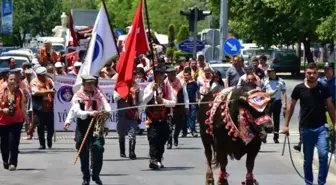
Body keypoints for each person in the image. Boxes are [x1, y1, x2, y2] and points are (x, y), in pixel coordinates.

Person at [282, 63, 336, 185]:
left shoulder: (323, 87)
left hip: (321, 127)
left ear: (318, 73)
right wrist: (286, 125)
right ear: (305, 73)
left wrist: (335, 123)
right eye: (309, 73)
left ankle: (321, 182)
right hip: (306, 129)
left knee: (323, 156)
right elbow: (291, 106)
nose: (311, 75)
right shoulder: (299, 88)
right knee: (307, 160)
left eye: (314, 73)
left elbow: (330, 106)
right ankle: (309, 183)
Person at [65, 75, 110, 185]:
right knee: (83, 151)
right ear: (83, 84)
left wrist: (106, 116)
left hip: (97, 124)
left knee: (99, 148)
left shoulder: (99, 94)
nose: (91, 86)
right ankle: (86, 176)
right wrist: (69, 121)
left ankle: (96, 174)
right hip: (83, 125)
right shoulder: (77, 96)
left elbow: (106, 106)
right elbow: (77, 112)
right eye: (89, 83)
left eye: (93, 83)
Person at [142, 67, 176, 169]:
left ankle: (159, 158)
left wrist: (163, 101)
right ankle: (153, 159)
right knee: (153, 138)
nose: (160, 77)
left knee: (163, 138)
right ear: (155, 76)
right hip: (152, 118)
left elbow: (174, 103)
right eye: (158, 75)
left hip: (164, 118)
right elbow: (144, 101)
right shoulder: (149, 87)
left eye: (162, 75)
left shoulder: (168, 87)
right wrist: (152, 92)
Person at [0, 72, 30, 171]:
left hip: (17, 121)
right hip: (3, 121)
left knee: (14, 142)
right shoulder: (1, 91)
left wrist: (27, 122)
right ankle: (5, 160)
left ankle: (13, 163)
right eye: (11, 79)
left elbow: (23, 108)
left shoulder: (19, 92)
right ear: (7, 80)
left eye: (14, 80)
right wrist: (2, 110)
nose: (13, 81)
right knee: (4, 143)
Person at [115, 72, 143, 159]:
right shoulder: (120, 87)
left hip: (132, 114)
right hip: (122, 115)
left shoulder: (138, 88)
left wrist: (139, 111)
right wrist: (124, 92)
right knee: (121, 134)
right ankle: (122, 151)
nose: (131, 78)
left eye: (133, 76)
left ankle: (132, 152)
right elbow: (115, 97)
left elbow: (141, 101)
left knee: (132, 133)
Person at [30, 67, 55, 149]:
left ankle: (49, 138)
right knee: (40, 126)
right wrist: (48, 91)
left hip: (49, 107)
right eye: (42, 75)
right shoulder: (34, 82)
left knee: (50, 126)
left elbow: (54, 89)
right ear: (38, 75)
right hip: (39, 108)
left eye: (45, 74)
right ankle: (42, 144)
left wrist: (53, 91)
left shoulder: (49, 80)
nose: (44, 76)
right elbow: (35, 92)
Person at [165, 67, 189, 149]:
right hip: (168, 106)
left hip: (179, 107)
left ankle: (175, 136)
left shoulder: (181, 82)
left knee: (179, 125)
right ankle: (169, 142)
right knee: (169, 125)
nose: (171, 75)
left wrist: (186, 106)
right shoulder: (165, 83)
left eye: (173, 74)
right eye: (169, 74)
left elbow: (185, 94)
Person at [263, 68, 287, 143]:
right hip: (268, 102)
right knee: (266, 119)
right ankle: (264, 136)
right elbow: (262, 92)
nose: (270, 73)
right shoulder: (265, 81)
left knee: (276, 120)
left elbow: (284, 93)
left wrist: (284, 103)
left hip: (277, 101)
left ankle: (276, 137)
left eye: (271, 72)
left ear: (275, 72)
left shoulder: (281, 81)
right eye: (269, 72)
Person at [183, 67, 199, 137]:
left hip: (192, 102)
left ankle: (193, 131)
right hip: (184, 103)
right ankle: (185, 132)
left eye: (187, 75)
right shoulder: (182, 84)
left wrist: (198, 99)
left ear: (190, 76)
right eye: (185, 75)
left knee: (192, 117)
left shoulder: (194, 83)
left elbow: (197, 92)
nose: (186, 76)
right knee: (184, 118)